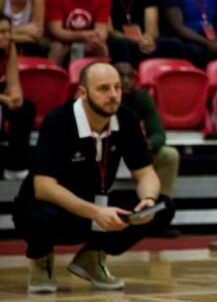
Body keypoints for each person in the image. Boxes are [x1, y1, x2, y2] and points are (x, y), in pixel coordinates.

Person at [14, 62, 173, 294]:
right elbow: (44, 187)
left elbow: (146, 173)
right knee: (41, 215)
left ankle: (92, 258)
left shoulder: (126, 119)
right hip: (53, 207)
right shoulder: (58, 121)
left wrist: (147, 200)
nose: (113, 95)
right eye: (104, 89)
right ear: (83, 93)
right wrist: (95, 212)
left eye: (117, 88)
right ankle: (41, 260)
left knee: (163, 207)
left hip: (97, 207)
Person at [114, 62, 180, 235]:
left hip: (132, 154)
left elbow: (159, 133)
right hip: (106, 153)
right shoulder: (104, 98)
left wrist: (146, 146)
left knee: (169, 154)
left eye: (130, 77)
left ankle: (160, 215)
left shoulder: (141, 97)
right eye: (121, 76)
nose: (126, 81)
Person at [0, 13, 35, 180]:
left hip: (2, 94)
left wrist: (16, 96)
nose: (4, 36)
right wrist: (5, 100)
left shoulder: (9, 47)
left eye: (7, 31)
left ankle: (16, 166)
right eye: (0, 32)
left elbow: (13, 80)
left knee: (25, 108)